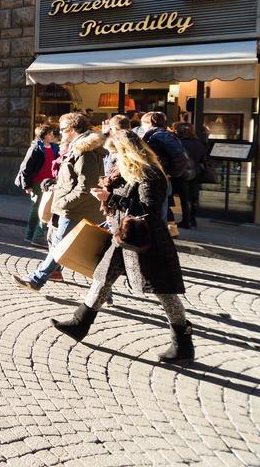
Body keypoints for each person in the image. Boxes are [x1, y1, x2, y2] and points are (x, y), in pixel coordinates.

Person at [51, 130, 194, 364]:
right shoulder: (126, 172)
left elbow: (146, 207)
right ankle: (79, 324)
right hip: (122, 238)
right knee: (102, 277)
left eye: (114, 154)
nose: (112, 159)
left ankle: (183, 344)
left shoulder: (149, 174)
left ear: (127, 152)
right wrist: (107, 198)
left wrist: (109, 198)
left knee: (164, 292)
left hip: (146, 242)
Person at [13, 112, 104, 292]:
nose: (60, 134)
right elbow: (72, 178)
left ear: (72, 129)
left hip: (74, 209)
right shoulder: (78, 147)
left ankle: (36, 279)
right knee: (63, 245)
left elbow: (86, 186)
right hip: (72, 206)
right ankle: (103, 290)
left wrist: (64, 203)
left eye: (62, 130)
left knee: (60, 245)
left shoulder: (84, 151)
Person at [140, 111, 192, 237]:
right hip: (158, 177)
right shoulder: (157, 135)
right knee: (156, 213)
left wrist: (170, 174)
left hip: (160, 178)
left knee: (158, 214)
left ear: (149, 122)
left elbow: (181, 158)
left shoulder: (160, 136)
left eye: (143, 123)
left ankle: (160, 243)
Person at [15, 125, 58, 245]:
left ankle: (34, 235)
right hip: (37, 183)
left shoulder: (55, 147)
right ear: (43, 136)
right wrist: (27, 186)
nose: (52, 136)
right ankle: (31, 234)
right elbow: (25, 168)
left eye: (52, 133)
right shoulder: (35, 148)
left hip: (50, 183)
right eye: (50, 134)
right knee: (37, 208)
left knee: (44, 208)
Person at [175, 123, 207, 229]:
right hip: (196, 172)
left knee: (185, 199)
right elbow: (203, 159)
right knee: (194, 198)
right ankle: (193, 220)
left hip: (183, 173)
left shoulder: (179, 143)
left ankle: (186, 221)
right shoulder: (199, 143)